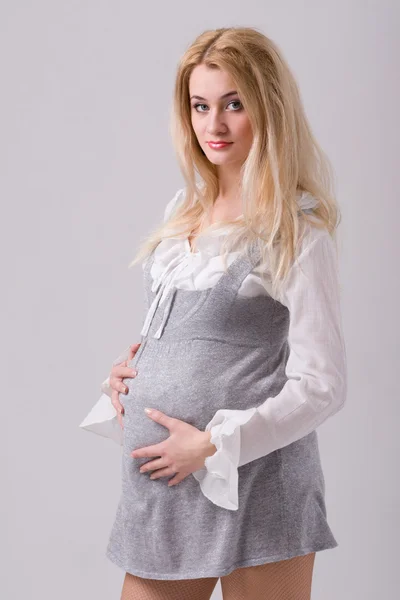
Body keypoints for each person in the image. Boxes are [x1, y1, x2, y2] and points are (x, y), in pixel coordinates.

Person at [80, 26, 347, 600]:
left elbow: (322, 386)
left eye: (234, 104)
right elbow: (185, 338)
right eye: (200, 106)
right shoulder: (184, 213)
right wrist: (127, 377)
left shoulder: (297, 231)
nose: (214, 125)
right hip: (162, 486)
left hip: (257, 484)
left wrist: (211, 444)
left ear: (268, 108)